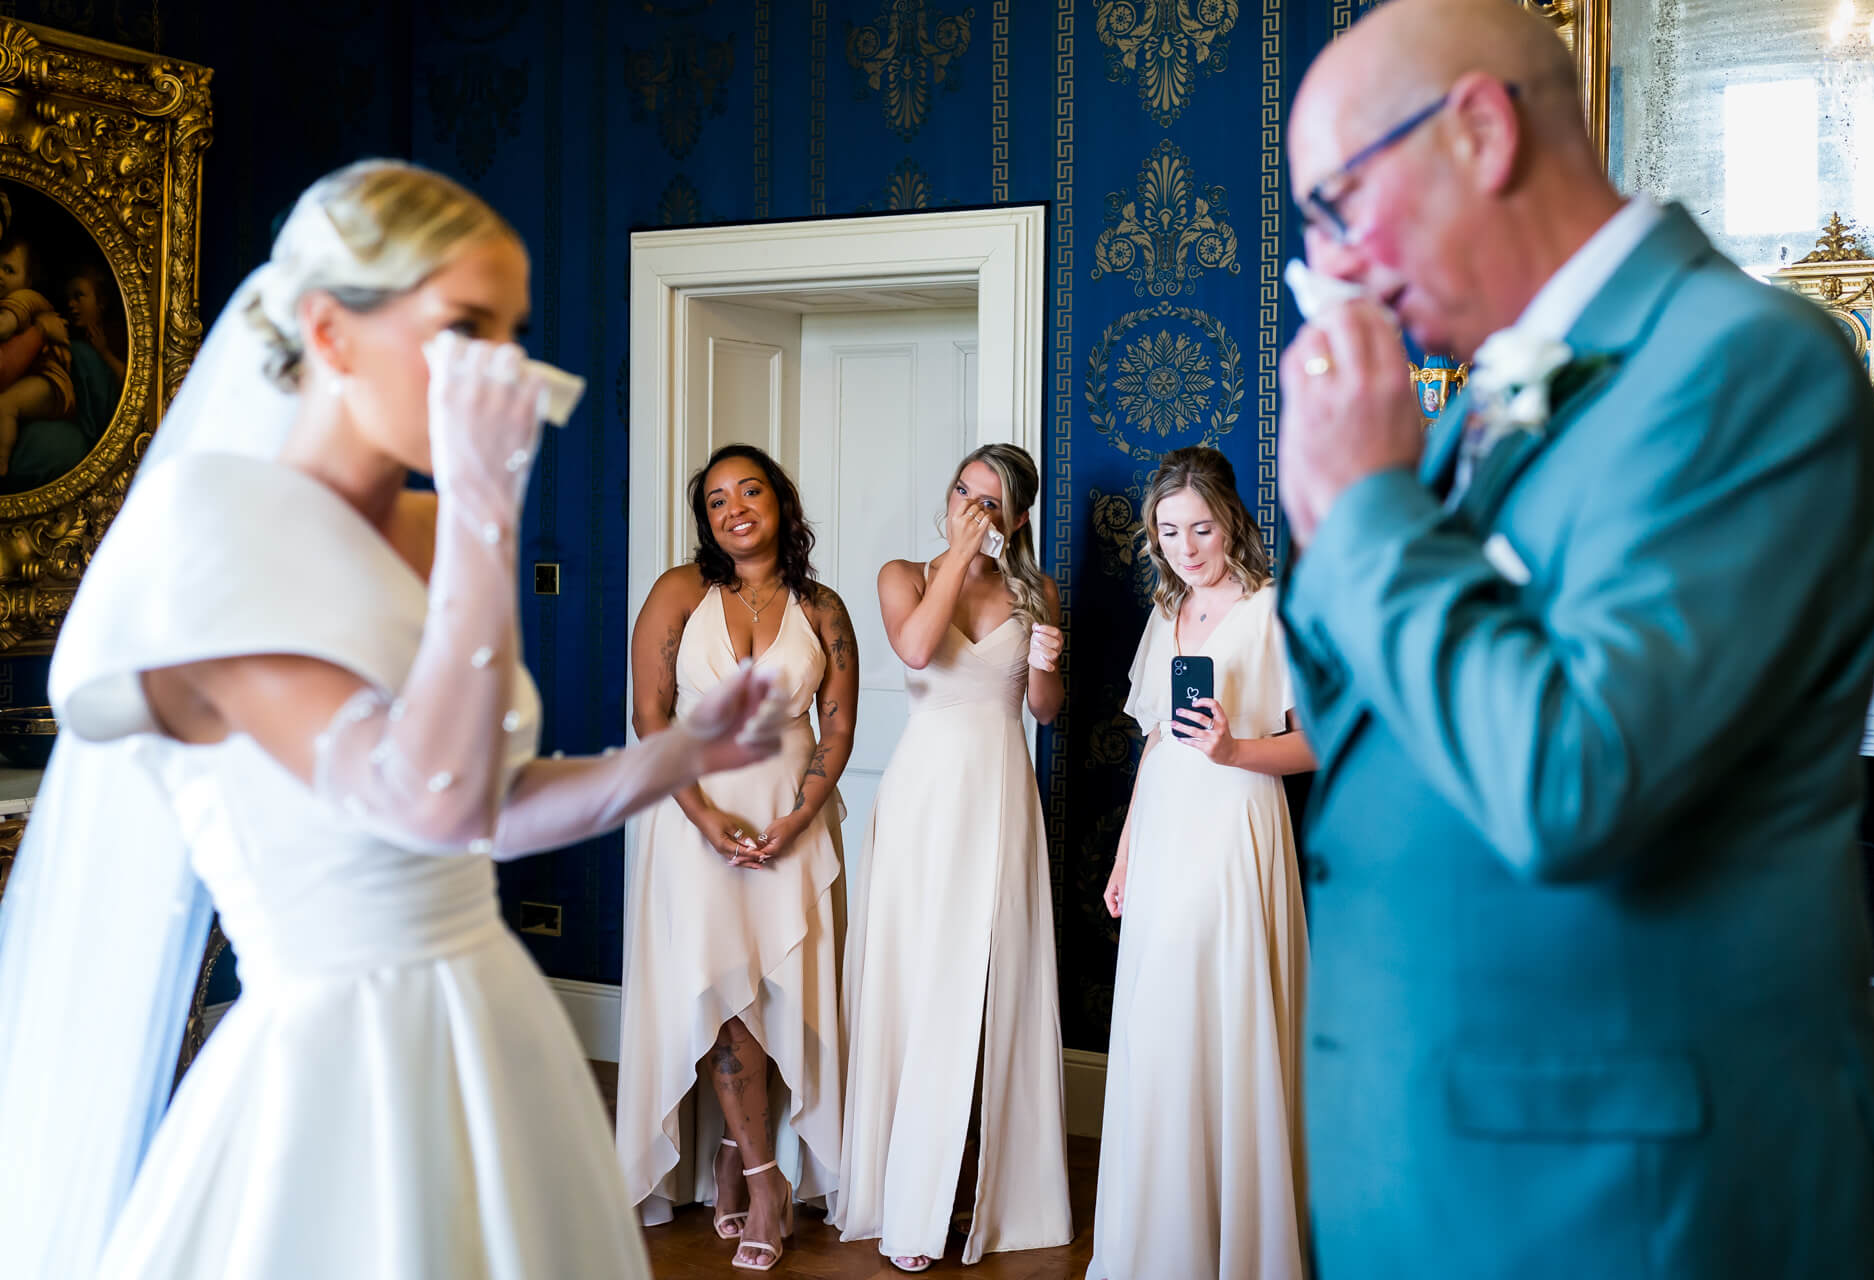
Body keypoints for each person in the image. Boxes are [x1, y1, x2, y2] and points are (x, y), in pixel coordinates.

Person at [0, 159, 791, 1279]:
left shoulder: (428, 527)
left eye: (512, 334)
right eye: (465, 326)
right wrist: (486, 510)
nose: (502, 372)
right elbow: (428, 797)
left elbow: (490, 806)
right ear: (329, 330)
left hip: (492, 1018)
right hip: (339, 1051)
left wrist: (679, 754)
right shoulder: (212, 529)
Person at [1276, 2, 1874, 1276]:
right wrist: (1332, 510)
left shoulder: (1746, 367)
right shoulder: (1493, 402)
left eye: (1341, 203)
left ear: (1478, 128)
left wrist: (1366, 515)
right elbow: (1374, 739)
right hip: (1438, 1160)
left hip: (1632, 1201)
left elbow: (1574, 779)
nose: (1336, 269)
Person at [832, 443, 1072, 1273]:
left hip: (1001, 794)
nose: (971, 506)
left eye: (991, 501)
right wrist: (962, 557)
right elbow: (916, 649)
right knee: (920, 984)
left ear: (1016, 517)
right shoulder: (904, 573)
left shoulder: (1034, 591)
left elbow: (1044, 710)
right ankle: (911, 1189)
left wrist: (1047, 664)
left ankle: (986, 1181)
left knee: (988, 986)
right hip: (924, 802)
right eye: (963, 490)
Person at [619, 443, 858, 1273]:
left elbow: (838, 729)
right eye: (716, 501)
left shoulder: (824, 608)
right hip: (694, 818)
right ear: (706, 522)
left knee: (779, 993)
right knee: (721, 996)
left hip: (790, 820)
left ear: (781, 504)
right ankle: (764, 1182)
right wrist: (702, 814)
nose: (734, 509)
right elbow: (652, 717)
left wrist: (797, 822)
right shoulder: (679, 594)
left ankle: (733, 1153)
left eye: (749, 491)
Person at [1088, 445, 1317, 1280]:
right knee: (1163, 1021)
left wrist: (1232, 749)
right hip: (1166, 833)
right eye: (1170, 531)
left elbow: (1316, 744)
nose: (1187, 547)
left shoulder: (1274, 609)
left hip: (1238, 826)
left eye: (1202, 528)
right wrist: (1124, 853)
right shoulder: (1170, 611)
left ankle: (1241, 1245)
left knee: (1227, 1010)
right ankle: (1162, 1240)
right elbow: (1154, 744)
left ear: (1231, 522)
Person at [0, 234, 74, 476]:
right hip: (30, 376)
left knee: (5, 405)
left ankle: (1, 463)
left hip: (48, 381)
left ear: (28, 280)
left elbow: (3, 327)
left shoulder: (23, 298)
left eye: (9, 270)